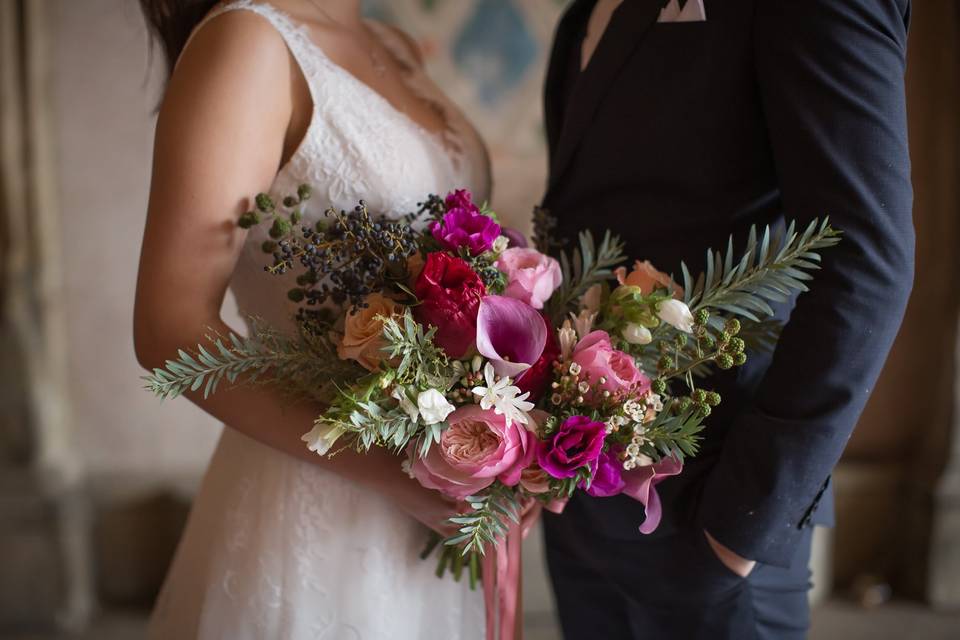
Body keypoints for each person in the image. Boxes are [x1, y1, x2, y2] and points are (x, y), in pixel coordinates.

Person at [540, 0, 914, 638]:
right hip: (579, 490)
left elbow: (867, 258)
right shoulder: (585, 13)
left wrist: (738, 531)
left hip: (709, 507)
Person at [133, 1, 490, 637]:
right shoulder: (247, 42)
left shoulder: (392, 43)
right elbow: (170, 329)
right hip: (313, 504)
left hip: (433, 517)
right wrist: (400, 478)